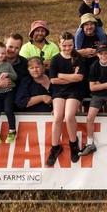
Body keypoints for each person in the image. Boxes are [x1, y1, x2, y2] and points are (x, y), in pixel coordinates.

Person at [46, 32, 85, 166]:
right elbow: (53, 80)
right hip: (59, 92)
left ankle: (73, 144)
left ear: (74, 44)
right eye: (64, 45)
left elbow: (79, 78)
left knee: (69, 116)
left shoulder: (78, 57)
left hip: (75, 91)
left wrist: (61, 75)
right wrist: (71, 78)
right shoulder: (56, 59)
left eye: (70, 45)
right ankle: (55, 147)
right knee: (57, 117)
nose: (67, 48)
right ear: (59, 44)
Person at [80, 43, 107, 156]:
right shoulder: (94, 66)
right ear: (97, 54)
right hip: (97, 95)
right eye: (101, 53)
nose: (104, 55)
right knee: (89, 117)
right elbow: (92, 87)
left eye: (106, 53)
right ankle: (90, 143)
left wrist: (100, 84)